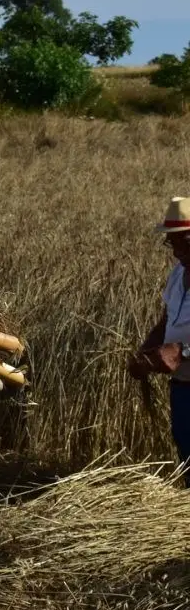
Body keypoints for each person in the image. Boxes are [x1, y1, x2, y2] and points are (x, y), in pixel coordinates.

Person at [126, 195, 190, 487]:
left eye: (185, 240)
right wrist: (147, 352)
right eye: (172, 242)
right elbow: (167, 321)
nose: (178, 250)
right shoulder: (178, 274)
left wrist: (183, 352)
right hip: (182, 387)